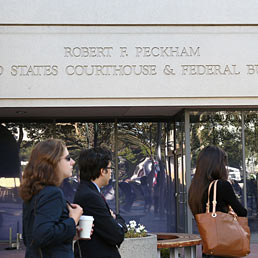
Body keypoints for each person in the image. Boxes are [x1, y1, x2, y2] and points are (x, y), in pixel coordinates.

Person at [19, 139, 83, 258]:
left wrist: (70, 233)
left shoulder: (34, 193)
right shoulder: (52, 193)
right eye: (68, 158)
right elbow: (42, 236)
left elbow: (31, 238)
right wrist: (73, 219)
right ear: (53, 161)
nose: (73, 162)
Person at [188, 145, 247, 258]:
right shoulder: (222, 185)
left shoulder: (195, 187)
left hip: (209, 245)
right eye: (223, 163)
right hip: (224, 245)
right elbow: (242, 212)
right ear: (218, 165)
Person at [74, 147, 127, 258]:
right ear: (102, 171)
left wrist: (114, 219)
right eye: (110, 167)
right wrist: (116, 220)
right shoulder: (90, 196)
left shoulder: (88, 191)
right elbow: (116, 235)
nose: (111, 171)